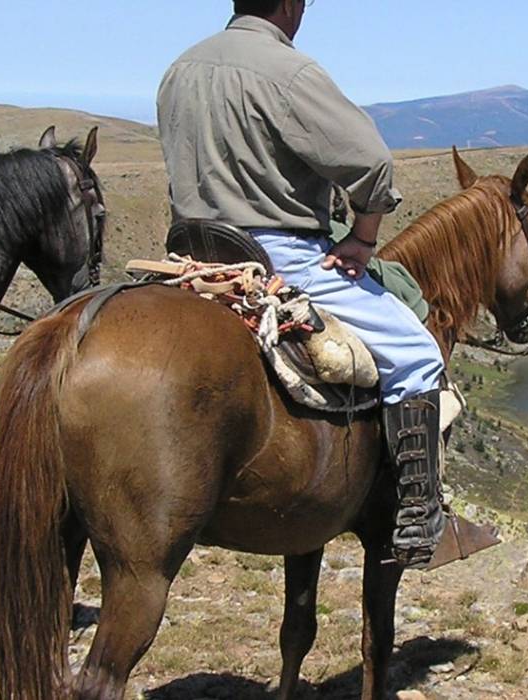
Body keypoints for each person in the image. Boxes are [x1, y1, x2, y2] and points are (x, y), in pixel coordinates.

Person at [156, 0, 499, 568]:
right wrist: (363, 238)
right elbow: (372, 164)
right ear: (289, 4)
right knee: (417, 355)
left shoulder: (181, 68)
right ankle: (418, 518)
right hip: (277, 253)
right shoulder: (289, 71)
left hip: (193, 252)